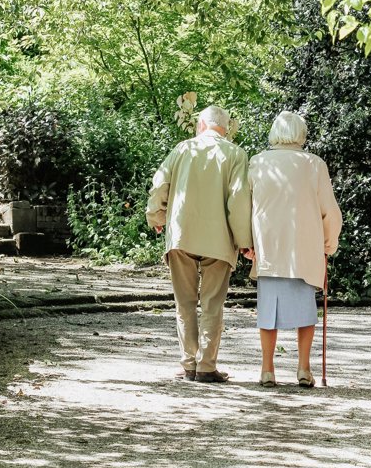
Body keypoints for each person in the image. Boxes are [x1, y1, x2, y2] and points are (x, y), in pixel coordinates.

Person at [146, 105, 252, 383]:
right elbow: (239, 200)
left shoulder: (182, 149)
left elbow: (160, 185)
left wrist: (156, 216)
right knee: (212, 304)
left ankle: (188, 364)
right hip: (219, 239)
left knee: (185, 303)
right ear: (225, 129)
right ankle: (206, 366)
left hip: (182, 235)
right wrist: (244, 241)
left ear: (201, 125)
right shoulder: (236, 154)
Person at [246, 110, 342, 388]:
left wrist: (247, 243)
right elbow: (330, 212)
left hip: (269, 247)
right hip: (304, 248)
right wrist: (328, 243)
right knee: (305, 311)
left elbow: (246, 207)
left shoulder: (258, 162)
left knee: (267, 312)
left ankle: (267, 369)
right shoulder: (314, 164)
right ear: (301, 134)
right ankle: (303, 368)